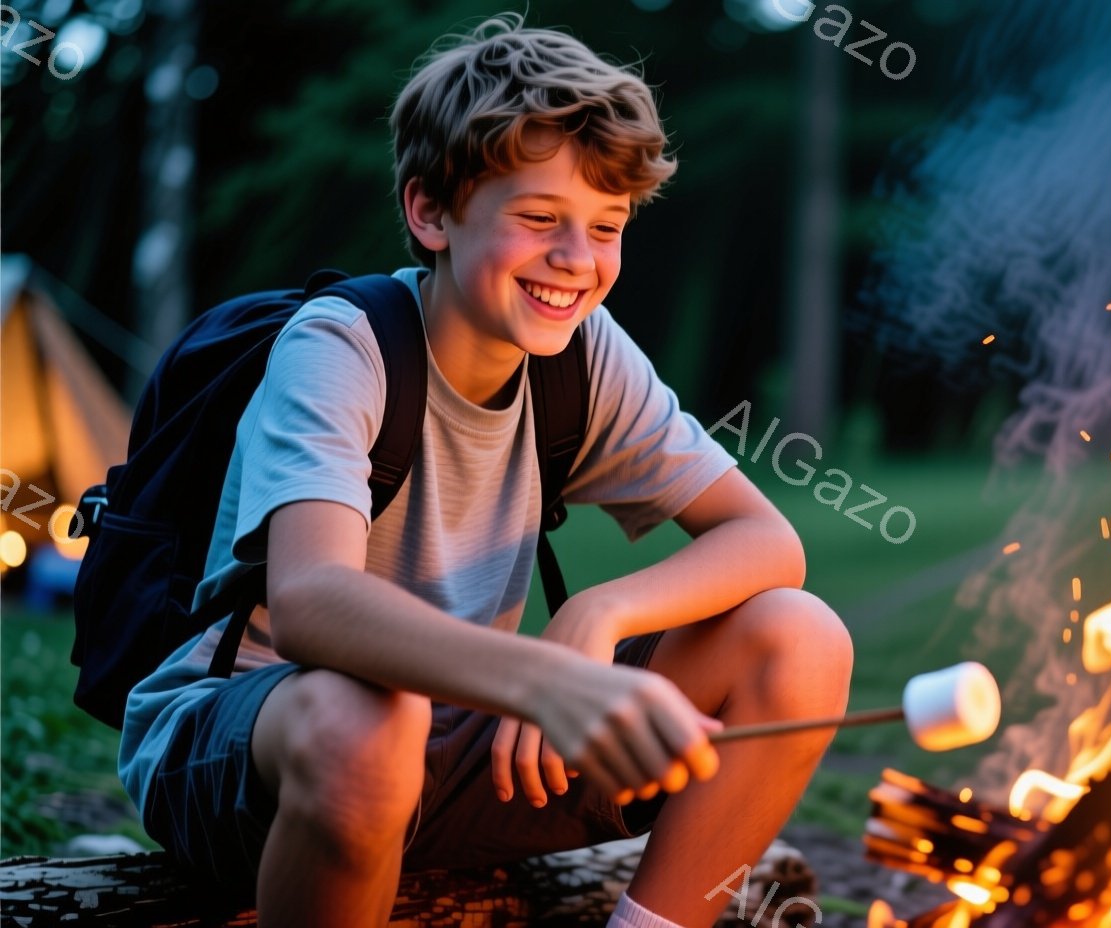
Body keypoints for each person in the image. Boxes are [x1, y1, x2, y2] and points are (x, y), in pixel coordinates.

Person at [115, 14, 853, 928]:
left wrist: (598, 615)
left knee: (799, 637)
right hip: (252, 746)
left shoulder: (584, 356)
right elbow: (309, 602)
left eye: (607, 226)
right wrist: (542, 680)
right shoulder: (344, 344)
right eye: (539, 218)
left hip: (461, 740)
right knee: (370, 723)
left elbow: (765, 540)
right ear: (430, 212)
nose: (576, 260)